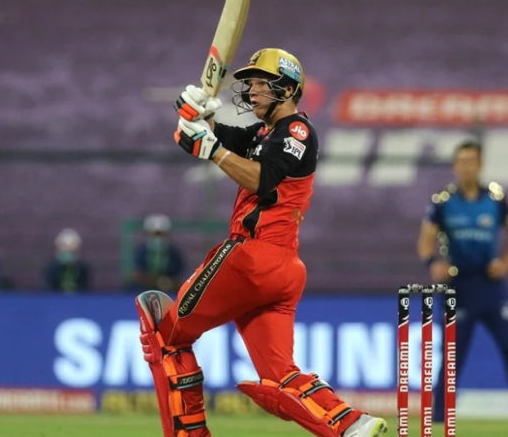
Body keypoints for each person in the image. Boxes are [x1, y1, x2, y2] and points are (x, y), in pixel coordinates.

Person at [135, 48, 387, 437]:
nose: (251, 92)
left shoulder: (296, 131)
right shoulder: (263, 134)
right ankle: (352, 425)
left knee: (164, 337)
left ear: (286, 89)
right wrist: (194, 115)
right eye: (250, 84)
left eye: (259, 84)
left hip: (252, 257)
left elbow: (261, 179)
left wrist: (212, 149)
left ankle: (188, 434)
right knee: (279, 375)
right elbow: (205, 136)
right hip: (282, 271)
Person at [417, 140, 508, 425]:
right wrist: (433, 264)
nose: (467, 167)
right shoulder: (443, 201)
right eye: (462, 162)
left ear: (480, 165)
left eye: (472, 161)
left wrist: (506, 263)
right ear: (455, 166)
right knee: (452, 356)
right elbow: (425, 240)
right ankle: (438, 418)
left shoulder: (496, 198)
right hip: (458, 286)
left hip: (490, 285)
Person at [127, 214, 185, 293]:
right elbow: (137, 272)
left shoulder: (174, 253)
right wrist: (156, 281)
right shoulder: (141, 252)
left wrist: (169, 283)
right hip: (145, 288)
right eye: (155, 234)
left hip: (169, 289)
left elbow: (180, 272)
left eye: (161, 234)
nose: (158, 237)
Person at [45, 228, 90, 293]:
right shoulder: (51, 268)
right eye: (64, 245)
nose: (68, 248)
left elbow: (85, 288)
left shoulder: (83, 269)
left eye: (72, 244)